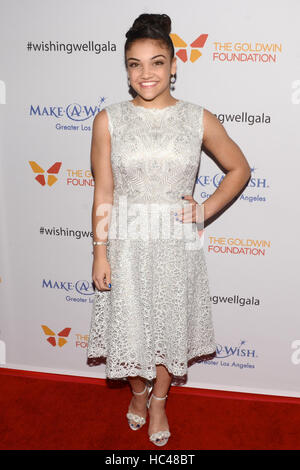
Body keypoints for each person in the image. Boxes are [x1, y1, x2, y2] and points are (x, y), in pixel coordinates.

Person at [86, 13, 251, 447]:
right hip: (126, 239)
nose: (146, 73)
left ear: (174, 66)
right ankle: (137, 393)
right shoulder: (108, 120)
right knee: (134, 324)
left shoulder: (197, 118)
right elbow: (104, 190)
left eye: (157, 62)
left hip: (176, 243)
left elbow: (239, 168)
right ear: (125, 69)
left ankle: (159, 400)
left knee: (168, 327)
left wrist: (205, 210)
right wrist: (100, 250)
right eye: (135, 64)